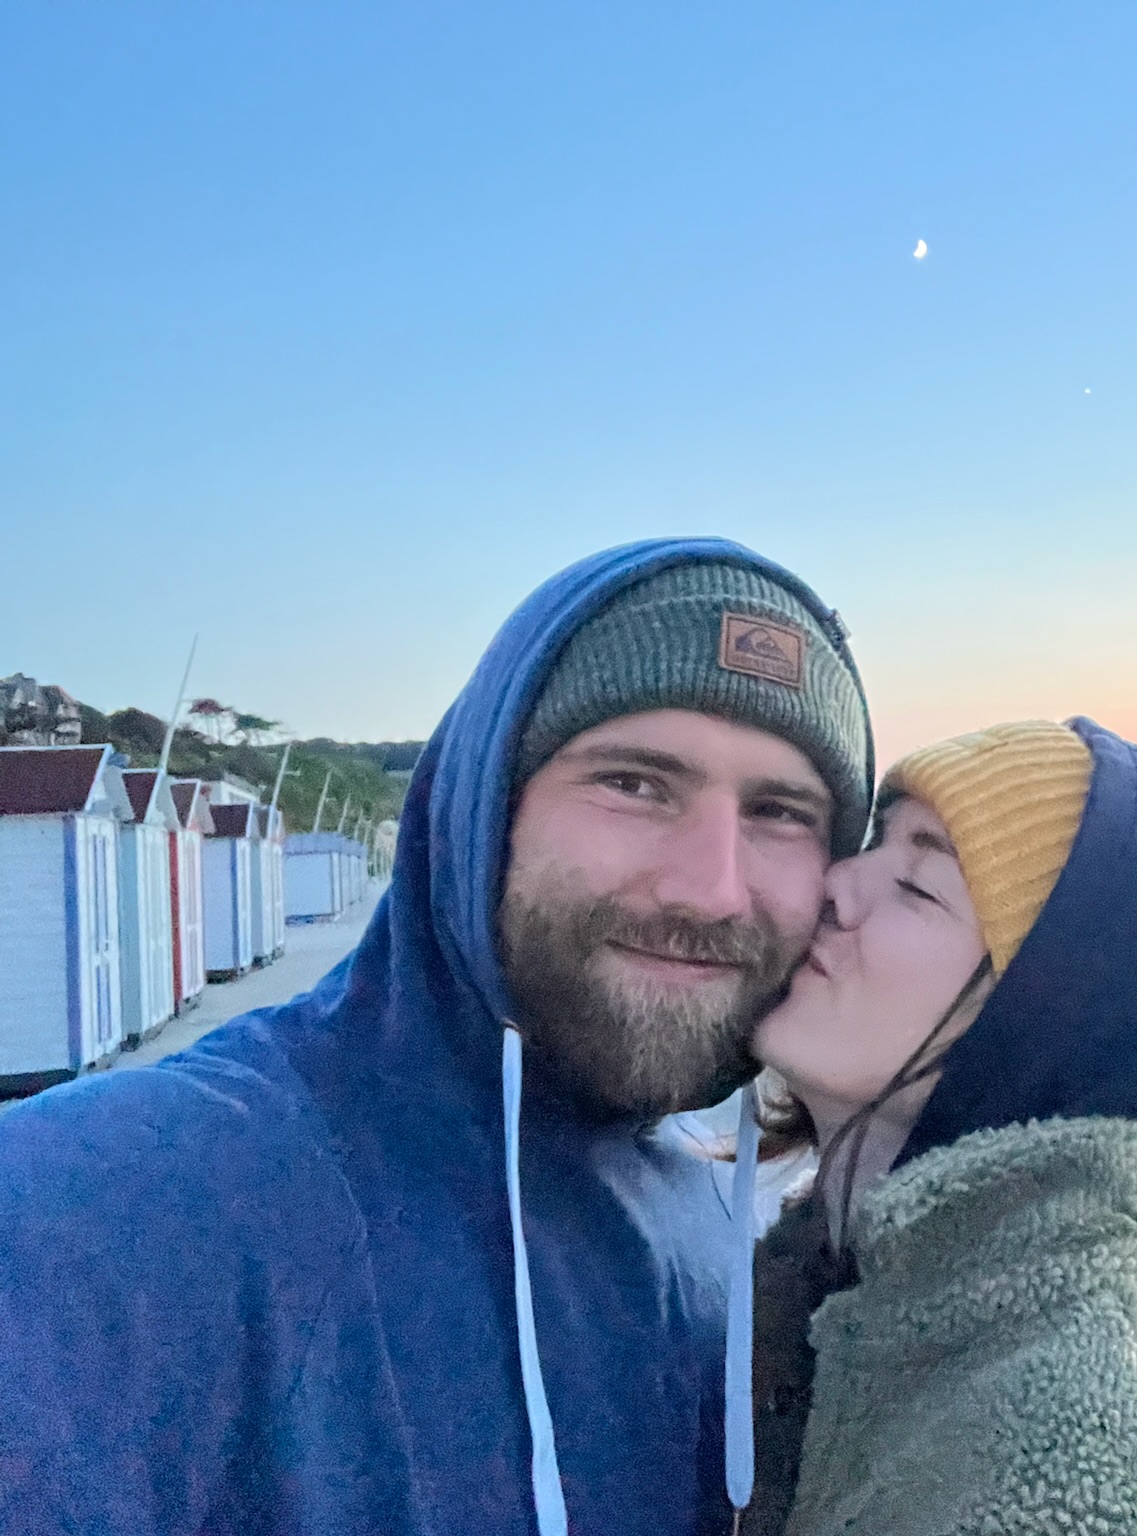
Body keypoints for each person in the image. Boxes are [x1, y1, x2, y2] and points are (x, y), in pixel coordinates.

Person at [0, 539, 873, 1536]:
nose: (709, 890)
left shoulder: (721, 1225)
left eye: (780, 812)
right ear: (481, 807)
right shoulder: (113, 1209)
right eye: (633, 784)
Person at [738, 717, 1137, 1536]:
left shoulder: (1101, 1482)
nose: (837, 882)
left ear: (1049, 1024)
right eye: (876, 842)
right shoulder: (856, 1286)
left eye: (918, 886)